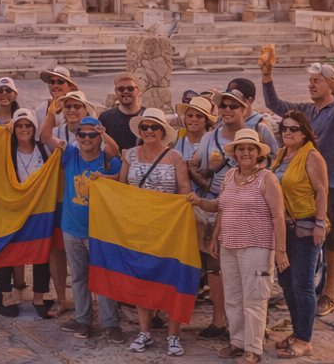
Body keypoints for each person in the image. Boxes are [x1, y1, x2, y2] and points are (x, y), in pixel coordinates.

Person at [260, 56, 334, 317]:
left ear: (331, 83)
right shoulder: (307, 111)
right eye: (310, 81)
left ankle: (329, 293)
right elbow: (275, 105)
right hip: (302, 187)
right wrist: (267, 76)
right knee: (301, 237)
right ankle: (301, 288)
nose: (311, 85)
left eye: (317, 81)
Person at [188, 129, 287, 364]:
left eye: (250, 149)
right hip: (229, 246)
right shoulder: (230, 175)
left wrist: (280, 251)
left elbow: (278, 216)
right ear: (235, 152)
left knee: (254, 298)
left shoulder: (267, 179)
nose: (245, 152)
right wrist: (200, 204)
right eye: (241, 148)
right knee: (232, 297)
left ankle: (253, 349)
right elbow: (221, 206)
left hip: (257, 246)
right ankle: (237, 342)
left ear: (258, 153)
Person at [117, 108, 192, 356]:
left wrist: (174, 209)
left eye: (154, 127)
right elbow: (121, 186)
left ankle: (174, 334)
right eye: (145, 127)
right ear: (139, 131)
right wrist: (101, 181)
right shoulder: (130, 155)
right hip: (139, 226)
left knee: (171, 277)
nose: (149, 131)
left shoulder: (175, 157)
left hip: (168, 227)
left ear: (162, 131)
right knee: (143, 276)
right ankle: (145, 331)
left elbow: (184, 188)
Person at [57, 118, 124, 341]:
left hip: (100, 230)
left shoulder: (109, 162)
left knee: (103, 277)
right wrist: (52, 108)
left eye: (92, 134)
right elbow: (46, 137)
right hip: (72, 228)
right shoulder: (70, 156)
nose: (87, 138)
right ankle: (83, 319)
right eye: (82, 134)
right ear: (76, 136)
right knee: (78, 276)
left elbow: (117, 158)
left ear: (99, 137)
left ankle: (110, 323)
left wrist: (103, 133)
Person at [270, 110, 328, 359]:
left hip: (305, 227)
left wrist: (319, 224)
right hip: (283, 228)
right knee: (286, 283)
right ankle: (297, 332)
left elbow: (322, 190)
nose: (288, 132)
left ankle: (304, 340)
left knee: (302, 284)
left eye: (294, 129)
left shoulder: (311, 155)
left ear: (304, 133)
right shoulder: (282, 154)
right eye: (284, 128)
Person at [0, 108, 53, 319]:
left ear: (34, 128)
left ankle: (38, 297)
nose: (24, 129)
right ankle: (5, 296)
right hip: (12, 210)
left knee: (41, 252)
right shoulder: (5, 149)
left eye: (28, 125)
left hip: (38, 210)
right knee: (7, 251)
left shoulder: (44, 150)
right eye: (20, 125)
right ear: (13, 128)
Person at [99, 73, 144, 151]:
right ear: (116, 91)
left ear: (137, 90)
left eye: (130, 88)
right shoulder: (105, 117)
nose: (126, 91)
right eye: (121, 89)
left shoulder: (147, 115)